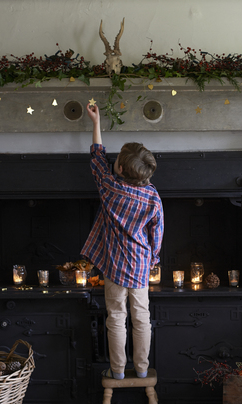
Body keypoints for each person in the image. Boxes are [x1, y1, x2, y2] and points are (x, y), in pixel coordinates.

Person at [81, 102, 164, 380]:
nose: (111, 160)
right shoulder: (152, 196)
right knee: (141, 318)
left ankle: (117, 370)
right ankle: (141, 368)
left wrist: (96, 123)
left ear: (120, 169)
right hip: (140, 267)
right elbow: (157, 232)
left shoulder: (108, 186)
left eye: (115, 160)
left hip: (114, 266)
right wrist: (153, 258)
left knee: (116, 317)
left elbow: (96, 156)